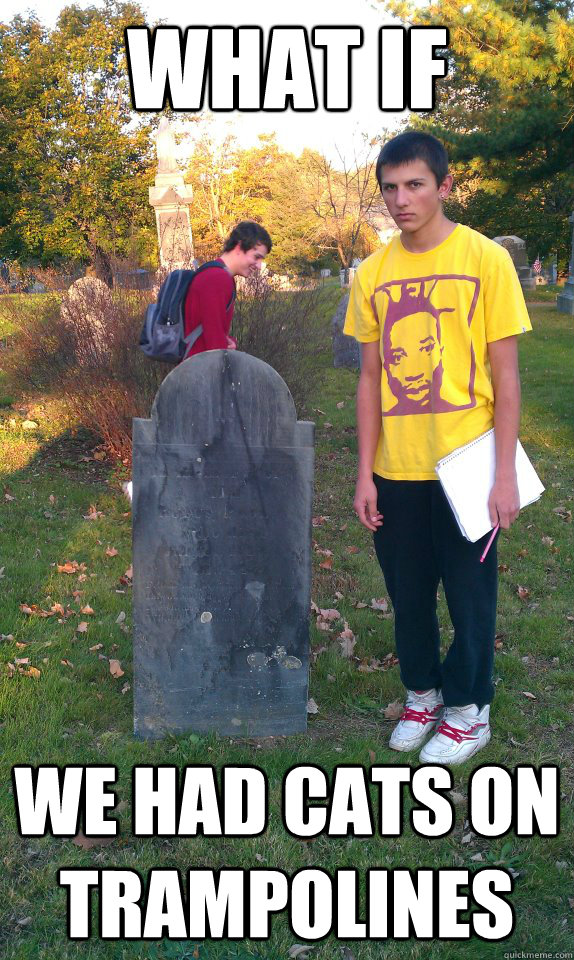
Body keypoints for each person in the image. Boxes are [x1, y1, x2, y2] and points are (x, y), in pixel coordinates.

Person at [344, 131, 531, 764]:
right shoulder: (371, 273)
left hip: (468, 465)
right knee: (409, 594)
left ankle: (468, 707)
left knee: (469, 594)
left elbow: (506, 379)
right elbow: (370, 379)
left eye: (415, 185)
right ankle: (422, 694)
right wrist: (365, 472)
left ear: (444, 186)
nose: (401, 200)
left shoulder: (485, 260)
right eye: (390, 188)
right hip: (398, 468)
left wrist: (503, 475)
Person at [184, 221, 271, 357]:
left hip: (197, 367)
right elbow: (215, 345)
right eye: (256, 257)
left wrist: (228, 343)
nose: (259, 265)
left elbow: (212, 329)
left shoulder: (216, 273)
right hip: (202, 371)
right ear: (239, 247)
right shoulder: (217, 278)